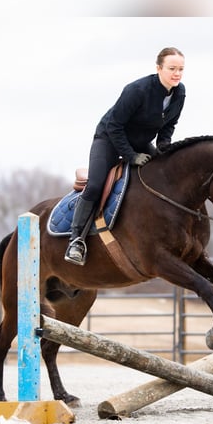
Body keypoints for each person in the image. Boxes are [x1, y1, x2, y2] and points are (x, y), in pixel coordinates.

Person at [65, 47, 186, 265]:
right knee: (95, 185)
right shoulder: (137, 90)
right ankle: (76, 241)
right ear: (158, 68)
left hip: (140, 143)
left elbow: (169, 125)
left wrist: (163, 147)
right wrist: (130, 156)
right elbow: (114, 125)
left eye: (180, 69)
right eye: (172, 68)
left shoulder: (180, 93)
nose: (177, 73)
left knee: (165, 173)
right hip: (109, 139)